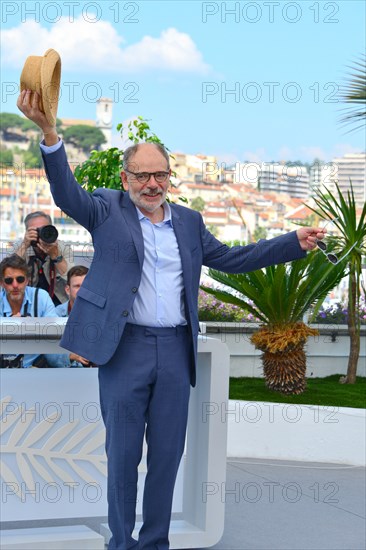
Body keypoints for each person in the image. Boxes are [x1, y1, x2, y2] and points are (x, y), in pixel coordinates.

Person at [17, 89, 327, 550]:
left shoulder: (189, 221)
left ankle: (154, 543)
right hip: (126, 350)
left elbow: (234, 258)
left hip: (176, 351)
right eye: (142, 175)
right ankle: (121, 542)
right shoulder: (105, 209)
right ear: (125, 178)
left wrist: (291, 241)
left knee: (167, 457)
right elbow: (66, 192)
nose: (152, 183)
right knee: (122, 457)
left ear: (170, 178)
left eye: (160, 174)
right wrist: (49, 133)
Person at [0, 254, 57, 368]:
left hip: (35, 370)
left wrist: (32, 327)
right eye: (9, 280)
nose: (15, 285)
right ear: (1, 283)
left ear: (27, 281)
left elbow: (54, 335)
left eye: (20, 279)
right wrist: (6, 326)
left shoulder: (41, 297)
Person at [14, 210, 73, 305]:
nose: (41, 234)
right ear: (27, 232)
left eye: (44, 229)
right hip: (26, 302)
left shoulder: (62, 248)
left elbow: (71, 278)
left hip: (58, 302)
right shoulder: (21, 247)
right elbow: (7, 273)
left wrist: (56, 256)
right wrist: (24, 246)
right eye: (36, 231)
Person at [55, 265, 92, 367]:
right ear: (67, 289)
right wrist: (71, 356)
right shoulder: (56, 314)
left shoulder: (101, 314)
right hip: (65, 375)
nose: (82, 290)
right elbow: (49, 354)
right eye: (77, 286)